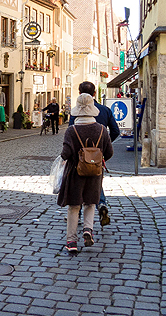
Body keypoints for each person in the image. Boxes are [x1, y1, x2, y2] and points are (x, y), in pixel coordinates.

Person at [57, 92, 114, 255]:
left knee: (74, 207)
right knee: (90, 204)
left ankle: (72, 241)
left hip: (75, 174)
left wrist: (65, 157)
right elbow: (109, 153)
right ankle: (88, 230)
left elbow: (66, 153)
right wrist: (95, 159)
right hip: (95, 174)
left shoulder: (71, 131)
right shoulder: (102, 130)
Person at [69, 81, 119, 227]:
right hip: (98, 154)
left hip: (79, 155)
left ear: (79, 93)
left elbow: (71, 132)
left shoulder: (76, 111)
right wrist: (104, 146)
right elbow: (115, 131)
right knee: (95, 179)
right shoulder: (105, 110)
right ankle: (101, 204)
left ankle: (77, 214)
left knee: (79, 183)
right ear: (95, 93)